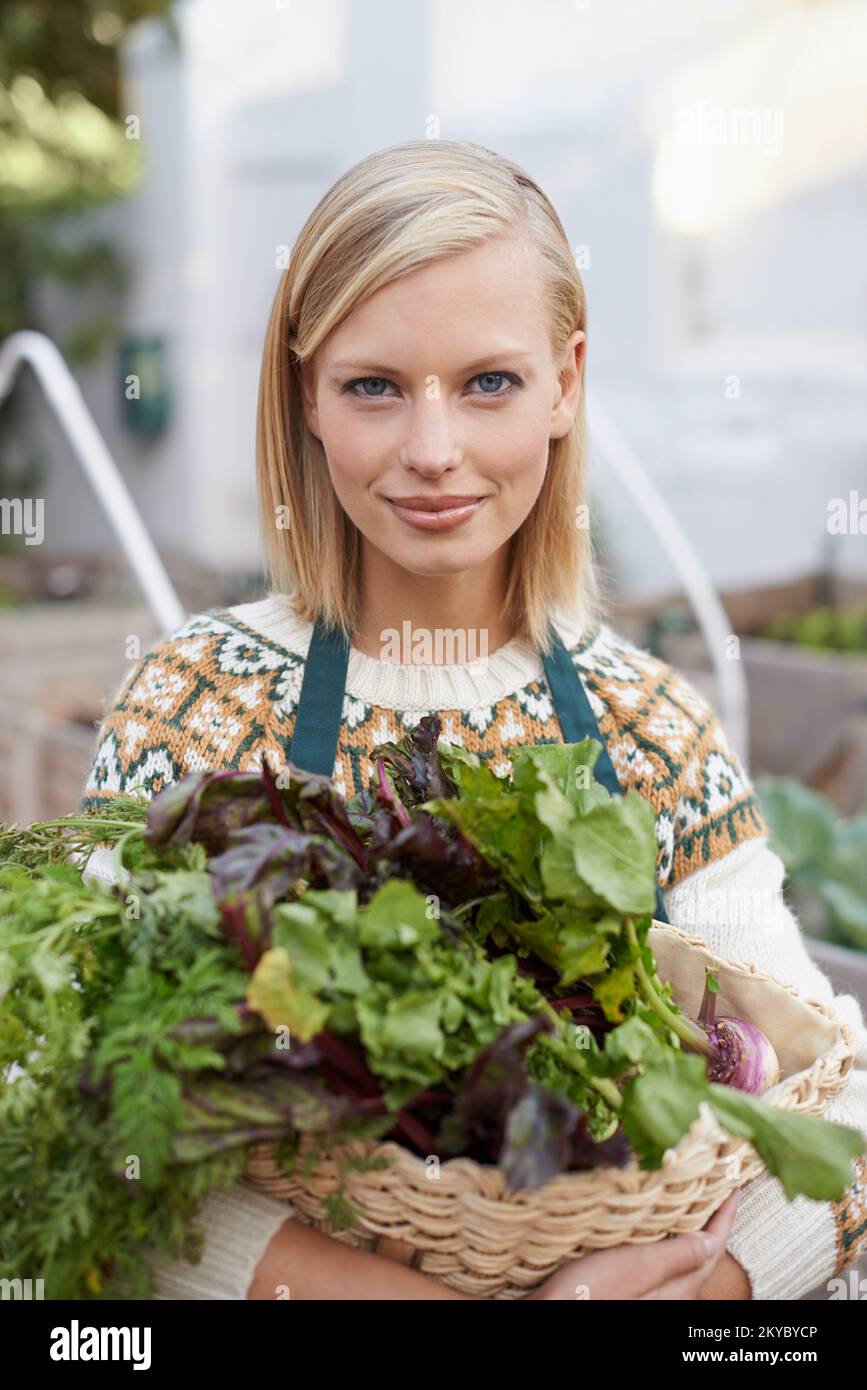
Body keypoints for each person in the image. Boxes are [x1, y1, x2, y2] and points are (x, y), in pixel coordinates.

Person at [82, 139, 867, 1301]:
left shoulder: (652, 722)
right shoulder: (191, 705)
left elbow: (827, 1089)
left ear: (567, 383)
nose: (433, 451)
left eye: (489, 382)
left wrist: (716, 1288)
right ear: (306, 393)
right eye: (375, 387)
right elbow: (94, 1115)